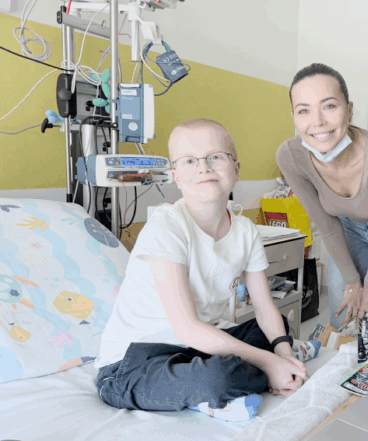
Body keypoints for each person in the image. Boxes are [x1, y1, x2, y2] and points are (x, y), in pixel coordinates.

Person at [94, 119, 311, 421]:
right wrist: (269, 362)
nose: (204, 168)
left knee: (278, 330)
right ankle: (235, 383)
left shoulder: (246, 231)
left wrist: (284, 353)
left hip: (197, 348)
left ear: (236, 168)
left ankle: (255, 374)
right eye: (189, 161)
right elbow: (186, 328)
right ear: (176, 176)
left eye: (216, 157)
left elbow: (264, 307)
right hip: (135, 363)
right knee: (217, 378)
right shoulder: (167, 225)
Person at [276, 63, 368, 330]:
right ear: (293, 117)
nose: (318, 121)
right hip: (349, 230)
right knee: (342, 321)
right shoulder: (290, 156)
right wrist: (352, 283)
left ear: (349, 110)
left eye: (329, 106)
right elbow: (327, 225)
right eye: (304, 110)